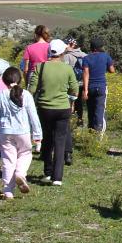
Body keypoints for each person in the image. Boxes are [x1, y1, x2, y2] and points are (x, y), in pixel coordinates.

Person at [27, 38, 79, 186]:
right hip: (62, 108)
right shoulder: (67, 69)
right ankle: (57, 177)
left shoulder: (40, 67)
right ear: (62, 52)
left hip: (45, 108)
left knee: (47, 140)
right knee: (60, 141)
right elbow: (74, 89)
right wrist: (70, 99)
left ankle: (48, 172)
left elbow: (32, 89)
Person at [0, 67, 42, 199]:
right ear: (20, 79)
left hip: (6, 132)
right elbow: (33, 116)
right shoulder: (26, 95)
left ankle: (8, 190)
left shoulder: (0, 95)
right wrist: (37, 134)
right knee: (25, 154)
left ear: (4, 81)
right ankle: (20, 173)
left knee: (8, 160)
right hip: (23, 131)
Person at [81, 38, 116, 134]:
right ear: (100, 47)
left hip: (90, 87)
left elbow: (86, 73)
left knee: (91, 110)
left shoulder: (86, 58)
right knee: (99, 111)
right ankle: (99, 133)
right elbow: (112, 70)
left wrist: (85, 90)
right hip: (101, 87)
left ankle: (91, 131)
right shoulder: (106, 56)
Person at [62, 36, 87, 128]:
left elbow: (65, 71)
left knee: (70, 102)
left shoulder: (67, 56)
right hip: (82, 82)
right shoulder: (84, 55)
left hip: (71, 83)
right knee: (79, 102)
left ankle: (70, 121)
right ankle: (80, 120)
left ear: (71, 45)